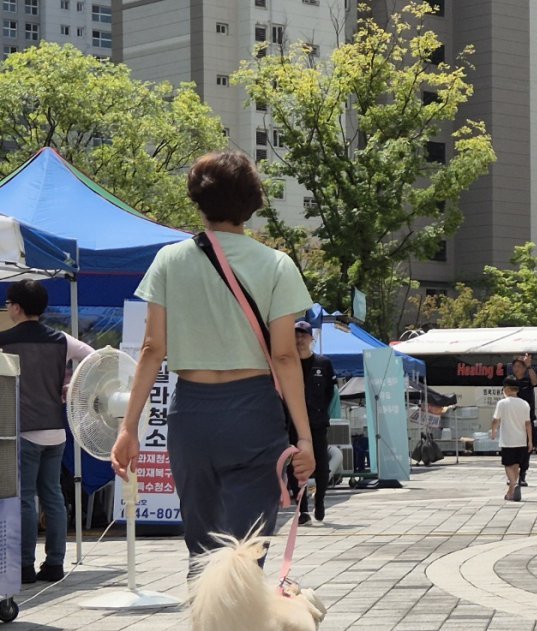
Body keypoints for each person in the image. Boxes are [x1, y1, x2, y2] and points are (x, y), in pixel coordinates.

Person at [110, 150, 316, 580]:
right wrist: (305, 436)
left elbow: (152, 348)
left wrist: (129, 427)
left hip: (191, 414)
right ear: (252, 202)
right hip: (253, 412)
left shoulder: (170, 260)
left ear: (197, 201)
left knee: (202, 549)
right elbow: (283, 356)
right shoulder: (276, 264)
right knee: (246, 549)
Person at [0, 279, 93, 584]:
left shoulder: (5, 341)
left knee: (26, 498)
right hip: (56, 430)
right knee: (52, 496)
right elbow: (94, 358)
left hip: (21, 431)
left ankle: (24, 565)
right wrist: (72, 386)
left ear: (16, 307)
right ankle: (54, 564)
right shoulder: (61, 339)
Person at [290, 320, 335, 525]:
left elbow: (329, 393)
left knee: (322, 465)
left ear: (311, 338)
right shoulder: (287, 363)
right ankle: (302, 509)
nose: (300, 339)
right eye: (296, 335)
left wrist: (319, 412)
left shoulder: (323, 363)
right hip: (293, 423)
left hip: (316, 422)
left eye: (303, 335)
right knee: (296, 466)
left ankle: (320, 500)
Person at [490, 376, 532, 502]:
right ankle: (512, 491)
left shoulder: (502, 403)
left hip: (508, 440)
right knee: (516, 466)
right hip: (521, 440)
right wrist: (530, 441)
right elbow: (528, 423)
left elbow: (495, 420)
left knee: (508, 465)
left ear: (507, 389)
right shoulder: (525, 404)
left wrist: (493, 431)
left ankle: (513, 485)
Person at [510, 353, 537, 486]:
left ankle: (522, 475)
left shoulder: (528, 380)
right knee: (513, 449)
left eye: (519, 366)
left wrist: (529, 366)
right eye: (514, 366)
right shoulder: (510, 381)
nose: (516, 369)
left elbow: (535, 382)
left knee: (527, 448)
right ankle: (513, 475)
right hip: (513, 421)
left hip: (528, 420)